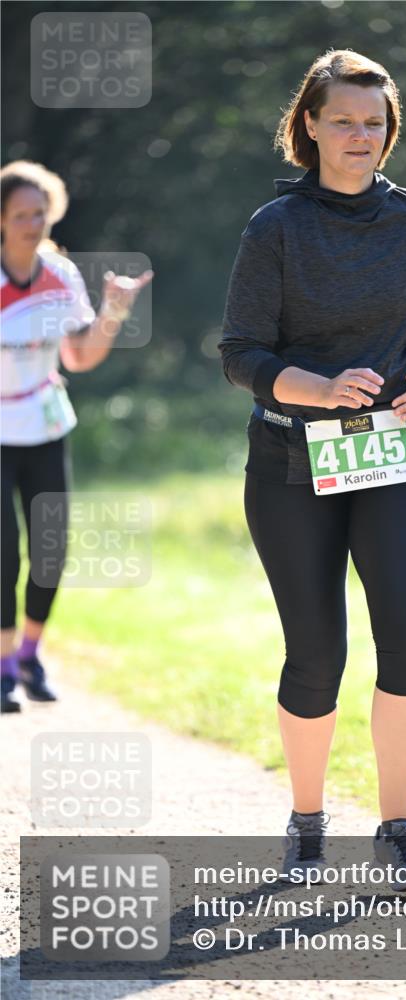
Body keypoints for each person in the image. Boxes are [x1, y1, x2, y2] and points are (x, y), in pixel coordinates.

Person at [218, 50, 406, 892]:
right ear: (310, 127)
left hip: (396, 454)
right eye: (342, 120)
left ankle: (397, 828)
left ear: (389, 130)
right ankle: (304, 825)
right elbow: (242, 355)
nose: (359, 136)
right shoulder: (275, 227)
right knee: (316, 653)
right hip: (291, 459)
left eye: (373, 122)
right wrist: (321, 389)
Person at [1, 160, 153, 713]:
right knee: (2, 556)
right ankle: (2, 664)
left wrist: (113, 311)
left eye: (40, 212)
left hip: (43, 424)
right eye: (20, 214)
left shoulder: (59, 276)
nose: (32, 223)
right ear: (1, 219)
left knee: (49, 551)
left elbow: (80, 356)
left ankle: (30, 655)